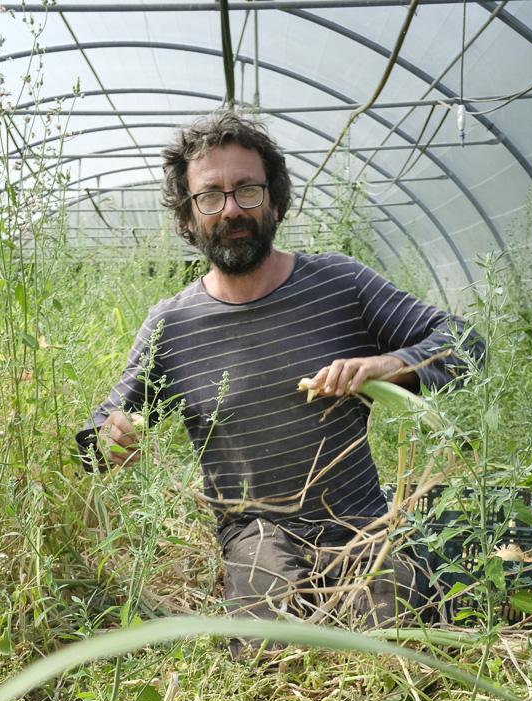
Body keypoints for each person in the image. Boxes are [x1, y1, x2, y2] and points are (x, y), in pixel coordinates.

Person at [77, 111, 484, 651]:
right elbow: (97, 436)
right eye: (210, 196)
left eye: (247, 189)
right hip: (256, 535)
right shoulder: (172, 326)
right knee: (269, 649)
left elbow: (466, 344)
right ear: (188, 215)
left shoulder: (339, 284)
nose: (231, 209)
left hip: (362, 528)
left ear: (274, 200)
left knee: (397, 646)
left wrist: (389, 365)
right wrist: (111, 437)